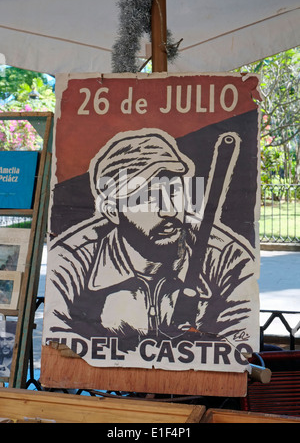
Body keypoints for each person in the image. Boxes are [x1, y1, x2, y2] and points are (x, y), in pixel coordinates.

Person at [44, 128, 256, 352]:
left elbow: (237, 346)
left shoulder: (227, 258)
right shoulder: (72, 260)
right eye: (148, 198)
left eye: (174, 192)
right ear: (112, 211)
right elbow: (58, 345)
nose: (168, 211)